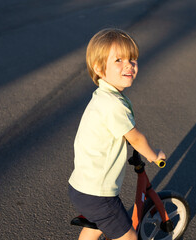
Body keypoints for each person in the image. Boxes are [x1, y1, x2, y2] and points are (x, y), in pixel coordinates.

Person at [68, 28, 166, 240]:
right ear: (99, 68)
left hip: (80, 187)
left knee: (95, 227)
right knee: (128, 237)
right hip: (99, 195)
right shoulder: (113, 104)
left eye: (132, 59)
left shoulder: (102, 96)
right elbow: (135, 138)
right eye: (119, 60)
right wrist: (154, 155)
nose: (128, 65)